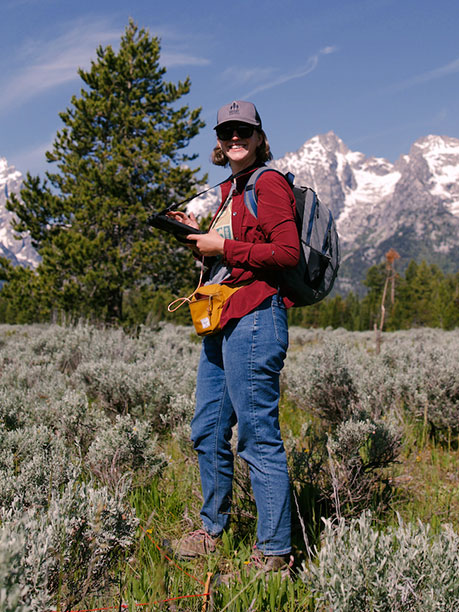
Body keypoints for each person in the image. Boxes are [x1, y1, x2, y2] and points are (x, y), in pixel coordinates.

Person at [168, 101, 299, 572]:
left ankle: (275, 552)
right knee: (207, 430)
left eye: (243, 130)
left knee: (257, 435)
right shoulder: (229, 189)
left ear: (260, 137)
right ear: (220, 141)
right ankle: (211, 529)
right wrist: (199, 241)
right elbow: (232, 259)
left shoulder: (268, 183)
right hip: (222, 319)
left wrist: (220, 244)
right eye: (227, 132)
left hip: (257, 316)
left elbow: (286, 254)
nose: (235, 138)